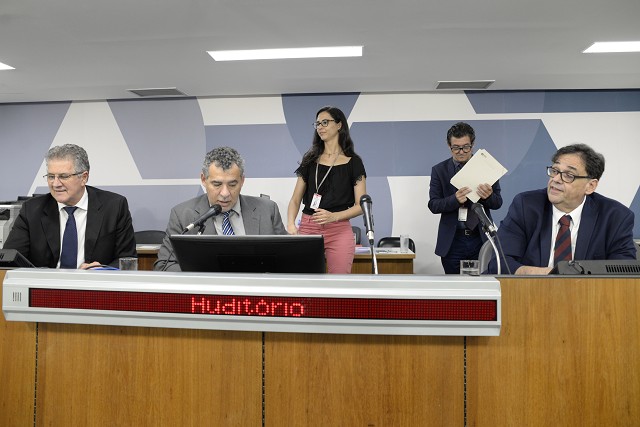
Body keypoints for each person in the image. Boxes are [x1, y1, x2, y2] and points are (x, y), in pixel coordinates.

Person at [487, 143, 636, 275]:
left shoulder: (615, 217)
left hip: (588, 295)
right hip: (531, 292)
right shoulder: (526, 206)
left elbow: (623, 271)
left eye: (569, 175)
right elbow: (499, 263)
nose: (556, 179)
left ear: (590, 186)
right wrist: (549, 275)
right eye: (555, 171)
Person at [154, 146, 287, 271]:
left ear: (242, 180)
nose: (225, 193)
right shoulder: (182, 215)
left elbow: (287, 260)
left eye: (232, 184)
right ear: (203, 180)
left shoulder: (267, 210)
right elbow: (164, 266)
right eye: (217, 184)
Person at [4, 144, 136, 268]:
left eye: (64, 176)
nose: (56, 184)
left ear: (84, 177)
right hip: (46, 283)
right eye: (51, 176)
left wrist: (103, 270)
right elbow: (9, 259)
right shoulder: (32, 210)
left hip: (94, 283)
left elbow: (127, 259)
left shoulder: (114, 206)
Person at [287, 106, 367, 274]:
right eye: (317, 124)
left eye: (325, 122)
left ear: (339, 125)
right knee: (306, 280)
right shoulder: (309, 160)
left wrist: (334, 217)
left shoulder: (354, 162)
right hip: (309, 226)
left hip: (339, 228)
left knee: (339, 281)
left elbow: (361, 205)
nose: (320, 127)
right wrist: (291, 224)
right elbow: (295, 200)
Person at [428, 122, 503, 274]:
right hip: (453, 241)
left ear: (473, 145)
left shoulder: (486, 167)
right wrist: (454, 199)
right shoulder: (439, 170)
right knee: (453, 286)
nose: (461, 152)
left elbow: (497, 203)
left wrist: (488, 196)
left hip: (480, 238)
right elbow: (433, 205)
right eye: (456, 147)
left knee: (482, 284)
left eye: (466, 147)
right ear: (449, 146)